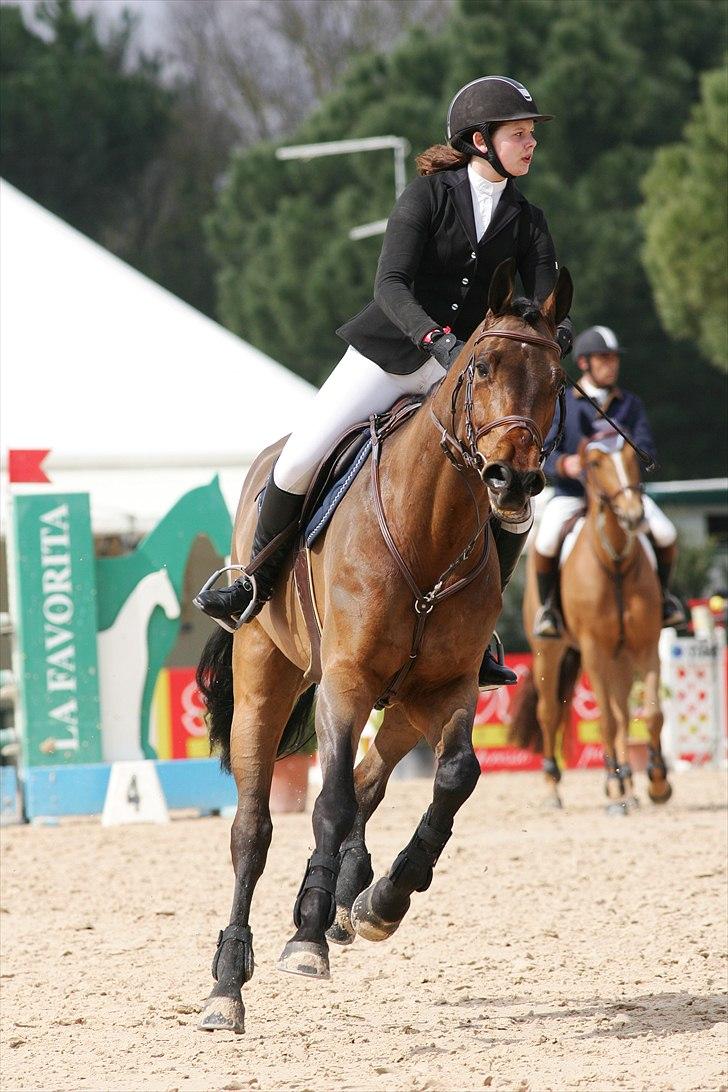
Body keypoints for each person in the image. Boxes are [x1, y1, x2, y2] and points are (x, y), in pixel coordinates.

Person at [195, 75, 573, 686]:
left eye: (531, 134)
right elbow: (390, 285)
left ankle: (478, 632)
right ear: (481, 140)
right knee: (299, 459)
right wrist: (435, 339)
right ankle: (252, 584)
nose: (531, 144)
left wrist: (556, 330)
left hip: (465, 377)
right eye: (520, 134)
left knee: (514, 499)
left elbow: (547, 291)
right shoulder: (427, 197)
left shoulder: (528, 220)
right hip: (391, 353)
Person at [532, 324, 686, 637]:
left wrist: (630, 456)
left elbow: (647, 449)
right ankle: (548, 609)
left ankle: (665, 599)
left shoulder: (630, 404)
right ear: (584, 362)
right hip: (573, 493)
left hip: (622, 494)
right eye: (604, 359)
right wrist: (565, 463)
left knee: (666, 533)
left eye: (614, 358)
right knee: (545, 541)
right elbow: (544, 453)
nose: (612, 365)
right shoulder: (563, 402)